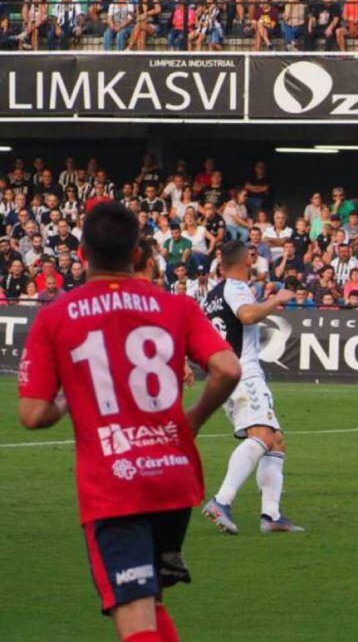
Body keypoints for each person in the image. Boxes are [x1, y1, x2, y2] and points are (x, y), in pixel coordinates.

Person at [18, 202, 241, 641]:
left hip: (116, 484)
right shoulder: (175, 307)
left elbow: (32, 415)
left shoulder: (56, 316)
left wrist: (64, 398)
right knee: (151, 603)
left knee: (135, 618)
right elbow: (229, 369)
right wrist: (192, 420)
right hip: (174, 478)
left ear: (82, 253)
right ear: (138, 252)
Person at [201, 241, 304, 534]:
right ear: (247, 261)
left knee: (276, 440)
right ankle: (222, 501)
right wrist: (277, 300)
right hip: (243, 373)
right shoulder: (235, 287)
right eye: (253, 256)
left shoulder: (212, 295)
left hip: (223, 374)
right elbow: (247, 315)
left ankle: (271, 516)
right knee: (263, 435)